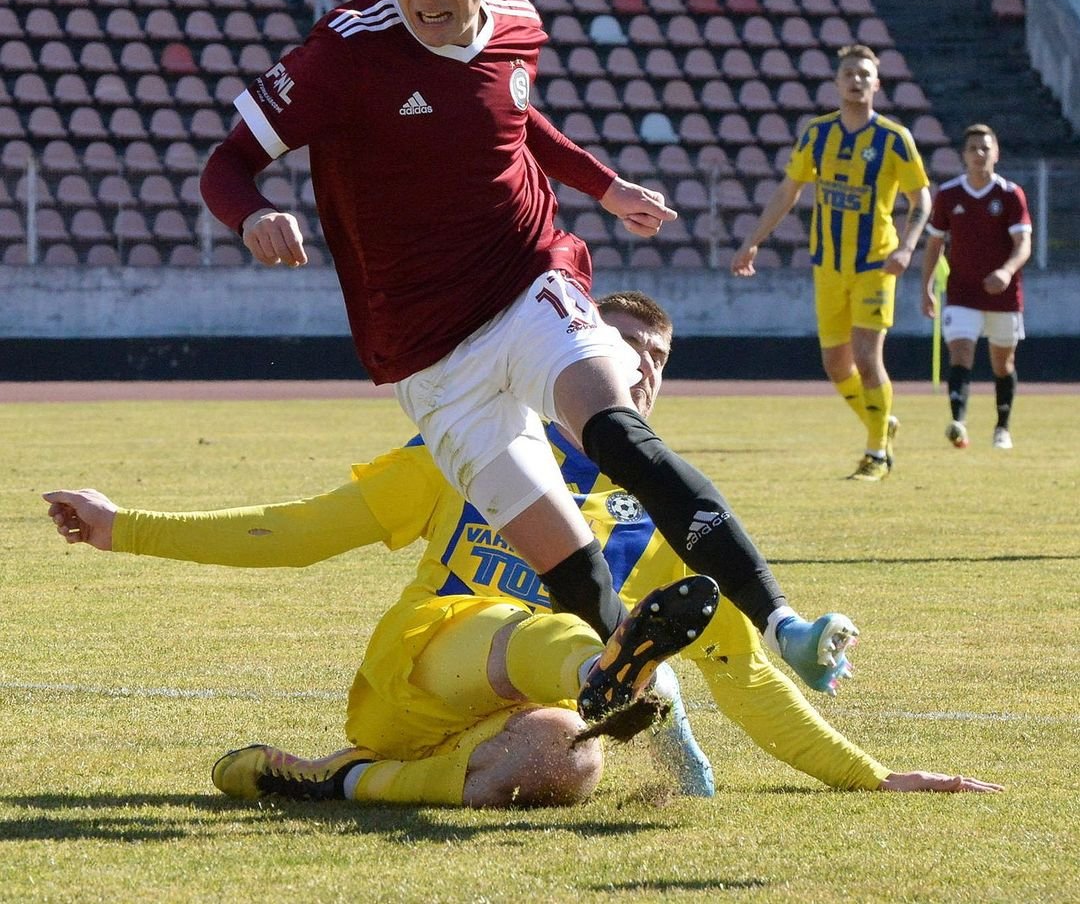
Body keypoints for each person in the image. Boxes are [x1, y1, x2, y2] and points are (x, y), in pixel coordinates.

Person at [198, 0, 857, 692]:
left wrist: (603, 187)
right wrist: (251, 213)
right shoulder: (345, 54)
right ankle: (631, 679)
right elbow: (226, 164)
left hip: (528, 280)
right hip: (428, 355)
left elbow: (513, 116)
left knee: (617, 433)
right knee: (568, 559)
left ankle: (786, 625)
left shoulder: (517, 25)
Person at [44, 292, 1001, 806]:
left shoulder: (656, 517)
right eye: (619, 349)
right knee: (565, 646)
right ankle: (617, 666)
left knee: (566, 767)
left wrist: (869, 776)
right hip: (422, 666)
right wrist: (125, 527)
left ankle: (330, 778)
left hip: (487, 726)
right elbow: (300, 531)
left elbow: (745, 677)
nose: (637, 371)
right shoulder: (474, 449)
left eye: (656, 363)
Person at [731, 45, 932, 482]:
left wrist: (907, 247)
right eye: (849, 73)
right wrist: (753, 240)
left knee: (865, 354)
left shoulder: (894, 139)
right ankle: (882, 423)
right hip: (828, 265)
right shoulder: (817, 134)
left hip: (875, 263)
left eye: (865, 74)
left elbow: (922, 199)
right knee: (835, 365)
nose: (856, 80)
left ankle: (877, 452)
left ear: (876, 84)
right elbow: (789, 191)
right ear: (837, 82)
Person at [920, 124, 1032, 450]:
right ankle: (959, 423)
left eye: (985, 148)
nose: (979, 154)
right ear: (963, 155)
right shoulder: (949, 195)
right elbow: (934, 245)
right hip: (962, 292)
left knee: (1003, 363)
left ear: (996, 153)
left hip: (1003, 294)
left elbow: (1023, 243)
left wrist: (1007, 271)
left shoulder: (1010, 195)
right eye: (973, 148)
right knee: (961, 352)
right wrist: (925, 287)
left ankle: (1002, 428)